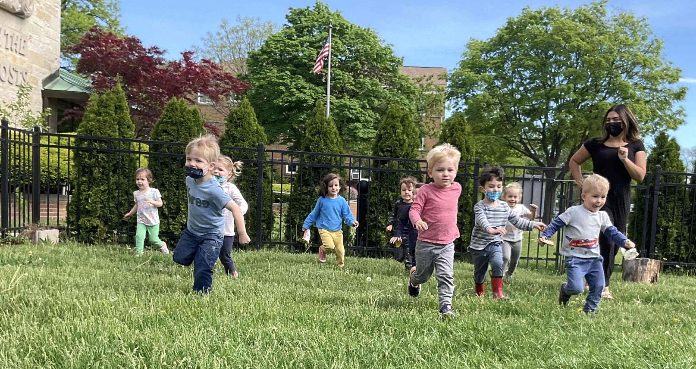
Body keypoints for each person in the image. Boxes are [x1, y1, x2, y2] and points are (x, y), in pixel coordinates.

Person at [569, 104, 646, 299]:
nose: (611, 123)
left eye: (616, 120)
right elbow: (574, 161)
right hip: (597, 199)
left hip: (619, 198)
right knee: (601, 239)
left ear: (626, 121)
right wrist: (582, 184)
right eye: (608, 120)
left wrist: (625, 159)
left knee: (612, 241)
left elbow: (640, 176)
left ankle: (601, 283)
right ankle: (599, 284)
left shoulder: (636, 145)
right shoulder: (595, 144)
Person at [539, 174, 636, 313]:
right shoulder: (573, 212)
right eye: (595, 196)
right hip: (575, 258)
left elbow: (612, 232)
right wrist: (545, 235)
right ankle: (565, 290)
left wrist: (624, 241)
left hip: (594, 259)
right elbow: (555, 224)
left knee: (598, 286)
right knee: (576, 288)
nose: (599, 201)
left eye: (603, 197)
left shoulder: (602, 216)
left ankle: (589, 311)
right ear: (584, 196)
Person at [172, 136, 250, 294]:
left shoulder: (214, 190)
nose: (192, 163)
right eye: (189, 159)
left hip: (212, 235)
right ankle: (200, 255)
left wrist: (241, 233)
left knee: (204, 267)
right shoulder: (189, 180)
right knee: (179, 258)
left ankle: (201, 293)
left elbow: (235, 208)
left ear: (211, 165)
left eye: (198, 161)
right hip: (191, 231)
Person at [469, 166, 545, 300]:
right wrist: (490, 229)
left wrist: (533, 224)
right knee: (480, 272)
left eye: (498, 186)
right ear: (483, 189)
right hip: (479, 245)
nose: (495, 189)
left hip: (496, 242)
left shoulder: (504, 206)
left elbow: (517, 221)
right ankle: (479, 290)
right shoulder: (479, 206)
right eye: (491, 186)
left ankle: (498, 293)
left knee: (498, 263)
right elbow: (482, 221)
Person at [407, 143, 461, 319]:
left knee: (445, 275)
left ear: (456, 171)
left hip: (447, 243)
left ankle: (445, 307)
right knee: (423, 276)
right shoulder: (425, 190)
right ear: (430, 172)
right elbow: (414, 209)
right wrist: (418, 220)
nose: (445, 174)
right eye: (440, 170)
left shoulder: (457, 188)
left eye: (450, 170)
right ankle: (413, 280)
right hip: (426, 243)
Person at [302, 173, 359, 268]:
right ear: (326, 187)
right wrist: (306, 224)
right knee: (329, 246)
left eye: (336, 185)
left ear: (340, 187)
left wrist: (352, 222)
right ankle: (322, 249)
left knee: (340, 250)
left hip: (337, 231)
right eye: (330, 186)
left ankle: (340, 266)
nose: (333, 188)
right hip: (324, 229)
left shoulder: (342, 201)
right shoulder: (322, 200)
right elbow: (314, 213)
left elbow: (347, 214)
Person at [213, 155, 248, 279]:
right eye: (214, 168)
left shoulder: (230, 188)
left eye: (220, 170)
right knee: (208, 253)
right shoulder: (207, 186)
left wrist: (237, 212)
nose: (216, 171)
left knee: (224, 255)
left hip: (226, 231)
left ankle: (232, 273)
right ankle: (206, 272)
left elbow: (243, 204)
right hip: (210, 229)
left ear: (229, 174)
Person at [124, 168, 169, 256]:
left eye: (142, 179)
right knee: (139, 236)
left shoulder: (154, 192)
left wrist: (152, 202)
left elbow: (160, 204)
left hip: (153, 220)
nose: (139, 182)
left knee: (153, 239)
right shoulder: (136, 193)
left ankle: (162, 245)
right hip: (141, 220)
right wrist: (130, 213)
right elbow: (137, 205)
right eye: (137, 179)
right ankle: (139, 253)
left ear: (149, 180)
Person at [501, 182, 538, 281]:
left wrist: (533, 211)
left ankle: (509, 274)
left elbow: (530, 217)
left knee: (514, 260)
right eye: (510, 196)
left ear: (519, 198)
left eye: (515, 197)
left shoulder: (521, 208)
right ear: (504, 197)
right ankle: (499, 275)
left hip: (517, 239)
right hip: (504, 238)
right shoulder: (502, 207)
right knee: (505, 257)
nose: (512, 199)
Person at [386, 176, 418, 272]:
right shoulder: (398, 203)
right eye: (404, 190)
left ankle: (409, 269)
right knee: (398, 255)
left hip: (410, 233)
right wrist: (390, 224)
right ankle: (401, 257)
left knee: (409, 252)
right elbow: (393, 215)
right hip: (398, 233)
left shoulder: (415, 205)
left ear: (414, 192)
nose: (406, 192)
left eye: (409, 190)